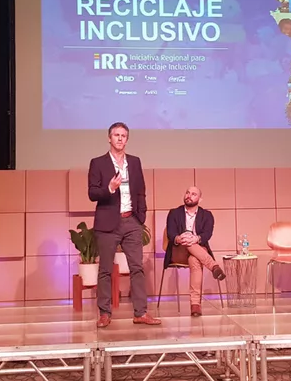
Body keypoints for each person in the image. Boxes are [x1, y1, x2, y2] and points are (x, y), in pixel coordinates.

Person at [88, 122, 161, 328]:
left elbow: (141, 191)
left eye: (123, 136)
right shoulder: (98, 163)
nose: (120, 138)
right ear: (109, 138)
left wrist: (141, 217)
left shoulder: (135, 162)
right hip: (108, 223)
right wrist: (110, 188)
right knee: (105, 270)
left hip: (132, 221)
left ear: (127, 139)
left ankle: (141, 313)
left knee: (137, 268)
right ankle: (105, 313)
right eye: (116, 135)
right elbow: (92, 193)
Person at [164, 186, 226, 317]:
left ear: (200, 199)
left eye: (193, 194)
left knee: (194, 260)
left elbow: (207, 234)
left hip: (198, 251)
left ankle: (195, 305)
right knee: (188, 241)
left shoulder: (207, 215)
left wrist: (196, 238)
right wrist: (180, 238)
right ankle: (213, 266)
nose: (189, 196)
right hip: (178, 251)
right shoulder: (174, 213)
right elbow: (171, 233)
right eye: (187, 193)